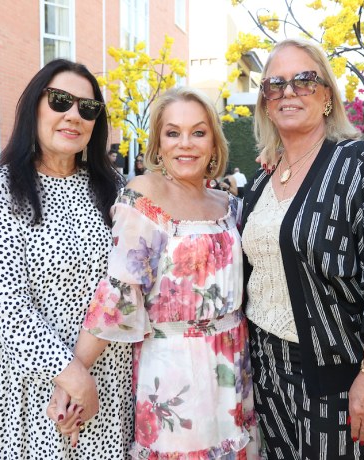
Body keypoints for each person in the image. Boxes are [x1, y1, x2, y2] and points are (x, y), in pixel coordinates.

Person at [240, 38, 364, 459]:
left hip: (328, 372)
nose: (288, 92)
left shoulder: (363, 168)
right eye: (275, 84)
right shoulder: (260, 181)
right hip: (261, 365)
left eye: (304, 81)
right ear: (266, 103)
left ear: (327, 96)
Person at [50, 87, 260, 459]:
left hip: (233, 368)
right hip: (173, 373)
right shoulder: (143, 196)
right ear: (158, 144)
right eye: (172, 133)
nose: (186, 144)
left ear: (213, 142)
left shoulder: (230, 206)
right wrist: (74, 374)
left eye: (198, 132)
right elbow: (118, 295)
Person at [0, 59, 132, 459]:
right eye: (60, 101)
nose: (73, 115)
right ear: (35, 107)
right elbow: (9, 307)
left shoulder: (115, 189)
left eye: (87, 108)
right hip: (31, 382)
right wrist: (73, 379)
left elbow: (127, 285)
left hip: (108, 372)